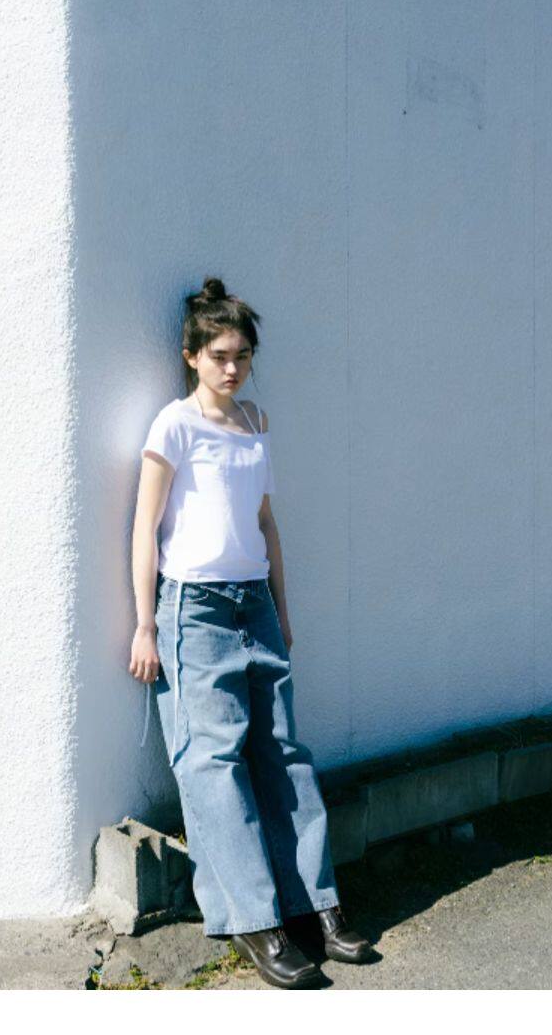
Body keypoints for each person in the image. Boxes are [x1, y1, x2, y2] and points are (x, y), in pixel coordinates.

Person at [129, 275, 374, 989]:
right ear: (192, 356)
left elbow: (265, 523)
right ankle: (255, 921)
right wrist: (144, 623)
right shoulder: (174, 425)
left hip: (255, 604)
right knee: (213, 763)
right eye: (219, 355)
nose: (232, 367)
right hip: (194, 609)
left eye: (242, 355)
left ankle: (316, 906)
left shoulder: (256, 421)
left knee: (284, 753)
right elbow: (145, 527)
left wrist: (281, 609)